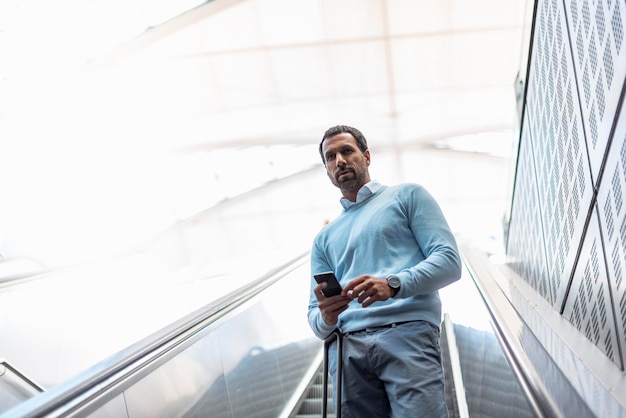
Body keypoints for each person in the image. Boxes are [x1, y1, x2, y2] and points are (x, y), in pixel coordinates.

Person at [307, 125, 462, 417]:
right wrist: (327, 315)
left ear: (366, 156)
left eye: (347, 151)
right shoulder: (323, 239)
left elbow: (449, 262)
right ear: (327, 170)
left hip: (408, 333)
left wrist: (393, 285)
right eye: (330, 157)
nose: (339, 160)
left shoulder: (408, 196)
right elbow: (314, 318)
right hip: (346, 349)